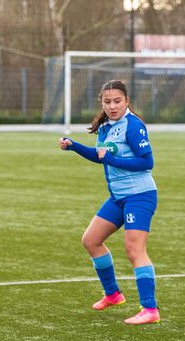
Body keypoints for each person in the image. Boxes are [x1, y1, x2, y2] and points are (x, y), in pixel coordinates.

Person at [59, 80, 160, 325]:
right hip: (118, 197)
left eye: (117, 101)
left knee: (134, 250)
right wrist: (74, 147)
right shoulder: (105, 126)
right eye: (107, 102)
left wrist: (113, 160)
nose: (112, 106)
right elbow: (100, 155)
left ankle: (150, 309)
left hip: (140, 195)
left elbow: (147, 162)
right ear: (101, 103)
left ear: (127, 101)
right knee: (91, 241)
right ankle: (113, 294)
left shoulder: (133, 126)